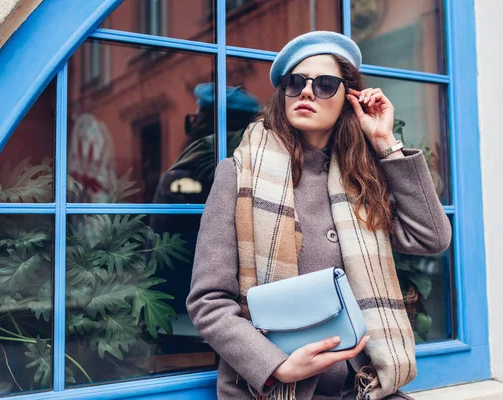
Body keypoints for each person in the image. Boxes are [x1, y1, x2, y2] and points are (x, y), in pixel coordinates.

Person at [186, 31, 451, 400]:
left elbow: (430, 237)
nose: (307, 92)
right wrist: (275, 365)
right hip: (276, 390)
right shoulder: (237, 173)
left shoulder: (363, 178)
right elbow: (208, 301)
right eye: (296, 83)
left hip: (364, 388)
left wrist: (386, 144)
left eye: (325, 84)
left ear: (349, 99)